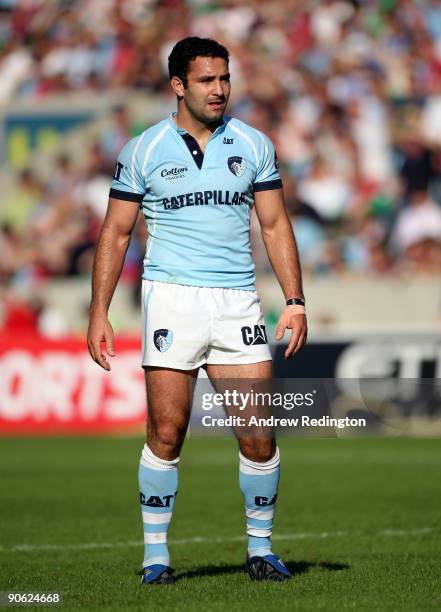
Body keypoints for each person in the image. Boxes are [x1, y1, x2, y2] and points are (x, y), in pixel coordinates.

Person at [87, 37, 307, 585]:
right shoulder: (142, 150)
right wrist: (99, 312)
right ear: (178, 86)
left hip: (238, 303)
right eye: (207, 80)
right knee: (167, 430)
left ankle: (261, 549)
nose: (220, 89)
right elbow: (115, 234)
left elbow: (276, 225)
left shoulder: (254, 144)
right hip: (172, 299)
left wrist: (296, 300)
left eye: (225, 78)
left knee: (258, 433)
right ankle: (156, 558)